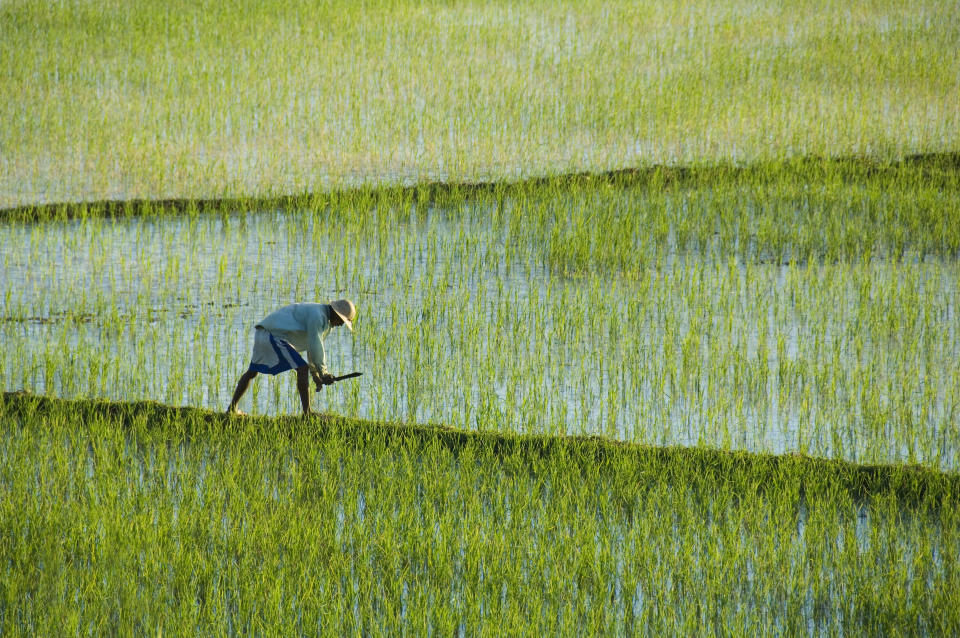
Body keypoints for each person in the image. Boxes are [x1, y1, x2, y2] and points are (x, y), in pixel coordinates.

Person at [227, 299, 357, 416]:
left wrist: (316, 375)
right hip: (273, 336)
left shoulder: (324, 320)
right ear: (335, 313)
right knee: (302, 368)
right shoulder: (318, 316)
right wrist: (323, 373)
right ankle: (307, 413)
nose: (341, 324)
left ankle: (232, 408)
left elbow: (313, 346)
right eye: (341, 320)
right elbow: (315, 344)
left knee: (253, 371)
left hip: (266, 333)